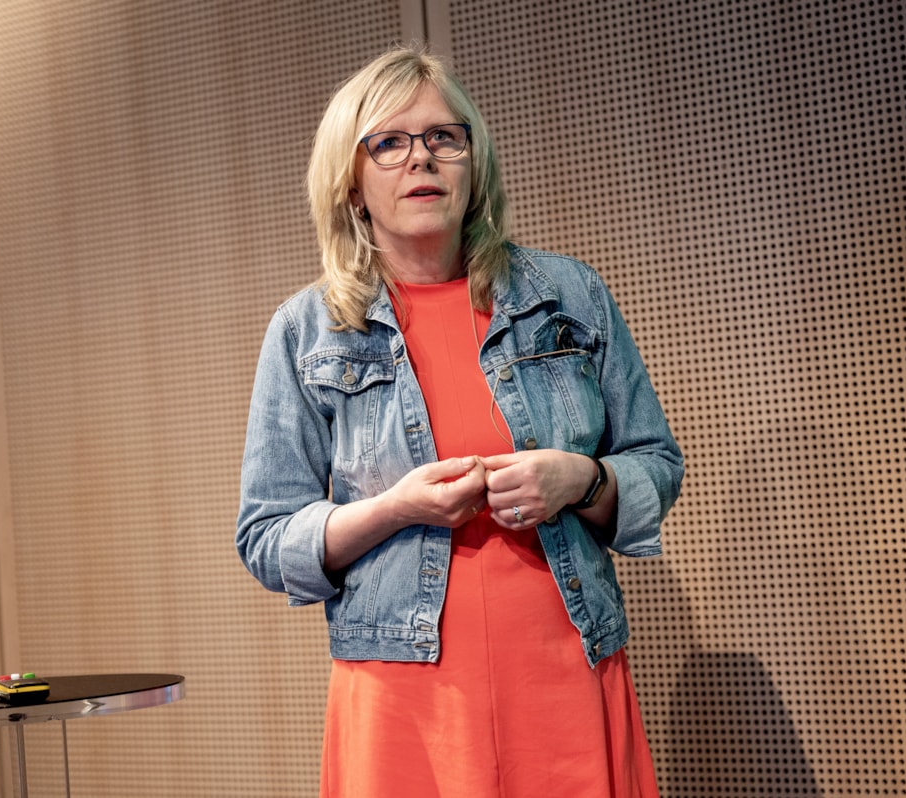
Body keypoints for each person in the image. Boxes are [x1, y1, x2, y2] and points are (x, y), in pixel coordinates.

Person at [236, 44, 684, 798]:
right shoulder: (305, 331)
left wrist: (582, 478)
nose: (423, 159)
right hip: (403, 700)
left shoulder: (569, 296)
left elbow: (655, 466)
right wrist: (395, 509)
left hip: (565, 672)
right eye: (390, 142)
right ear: (351, 181)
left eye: (445, 137)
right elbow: (266, 537)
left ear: (474, 163)